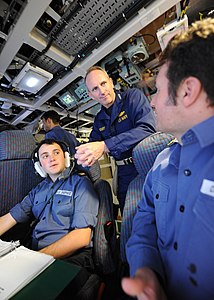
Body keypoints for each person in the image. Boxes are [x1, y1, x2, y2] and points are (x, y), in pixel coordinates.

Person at [121, 18, 214, 300]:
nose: (151, 101)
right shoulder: (161, 161)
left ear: (187, 91)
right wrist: (145, 268)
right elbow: (145, 218)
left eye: (157, 90)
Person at [0, 139, 99, 275]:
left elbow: (81, 237)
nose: (51, 158)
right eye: (45, 156)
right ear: (39, 166)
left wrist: (35, 260)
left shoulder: (81, 184)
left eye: (56, 153)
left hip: (70, 258)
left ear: (66, 158)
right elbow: (10, 218)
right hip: (38, 254)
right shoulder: (38, 190)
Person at [75, 66, 156, 212]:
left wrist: (105, 146)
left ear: (111, 82)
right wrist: (76, 156)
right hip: (124, 173)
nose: (101, 91)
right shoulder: (99, 120)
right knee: (130, 218)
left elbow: (148, 128)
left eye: (103, 84)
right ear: (90, 95)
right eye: (94, 89)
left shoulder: (132, 97)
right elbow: (91, 145)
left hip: (147, 165)